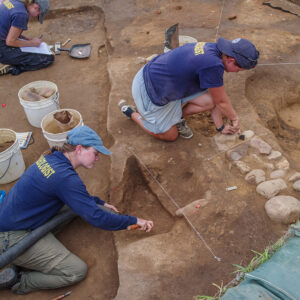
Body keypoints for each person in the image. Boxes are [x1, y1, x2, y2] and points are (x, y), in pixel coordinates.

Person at [0, 126, 153, 294]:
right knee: (75, 271)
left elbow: (76, 196)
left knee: (76, 207)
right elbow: (96, 217)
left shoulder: (53, 158)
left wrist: (97, 202)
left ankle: (27, 257)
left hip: (13, 218)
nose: (97, 159)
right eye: (95, 153)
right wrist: (133, 221)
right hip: (11, 236)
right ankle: (20, 281)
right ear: (79, 149)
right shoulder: (64, 177)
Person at [118, 37, 259, 141]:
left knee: (210, 100)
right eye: (239, 69)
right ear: (231, 60)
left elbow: (217, 99)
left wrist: (221, 128)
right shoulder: (213, 65)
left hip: (165, 84)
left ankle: (176, 118)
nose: (237, 72)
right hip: (150, 93)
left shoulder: (214, 50)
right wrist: (234, 118)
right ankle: (131, 113)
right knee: (171, 135)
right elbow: (222, 101)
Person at [0, 0, 54, 76]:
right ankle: (14, 68)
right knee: (47, 59)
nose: (35, 16)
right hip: (2, 49)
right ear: (36, 7)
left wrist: (27, 39)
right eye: (39, 14)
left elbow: (7, 28)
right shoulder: (22, 14)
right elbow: (10, 42)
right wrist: (32, 43)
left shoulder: (15, 2)